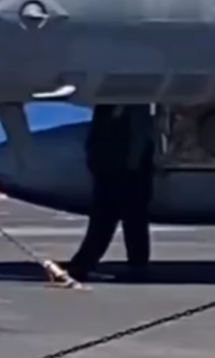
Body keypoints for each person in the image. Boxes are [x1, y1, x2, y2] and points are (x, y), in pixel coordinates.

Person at [65, 104, 158, 280]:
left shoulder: (132, 106)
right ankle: (134, 264)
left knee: (116, 219)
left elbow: (139, 134)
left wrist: (131, 166)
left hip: (125, 169)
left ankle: (84, 264)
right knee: (123, 220)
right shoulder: (110, 106)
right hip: (114, 167)